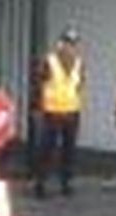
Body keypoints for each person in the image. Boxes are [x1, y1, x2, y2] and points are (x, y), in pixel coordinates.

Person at [33, 27, 84, 198]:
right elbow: (38, 86)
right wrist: (37, 108)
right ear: (60, 44)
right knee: (47, 149)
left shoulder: (79, 62)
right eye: (68, 43)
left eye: (74, 44)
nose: (71, 47)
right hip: (52, 111)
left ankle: (66, 182)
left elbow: (79, 85)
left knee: (69, 149)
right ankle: (41, 184)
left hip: (72, 111)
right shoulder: (49, 61)